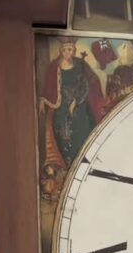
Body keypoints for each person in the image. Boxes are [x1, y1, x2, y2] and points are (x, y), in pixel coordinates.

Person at [38, 38, 106, 196]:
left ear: (74, 51)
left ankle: (84, 171)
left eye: (70, 50)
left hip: (80, 107)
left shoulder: (80, 65)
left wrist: (76, 100)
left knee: (81, 137)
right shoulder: (55, 66)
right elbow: (50, 86)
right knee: (63, 138)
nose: (67, 53)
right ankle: (70, 173)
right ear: (61, 51)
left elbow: (87, 84)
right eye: (65, 50)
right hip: (61, 109)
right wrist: (43, 99)